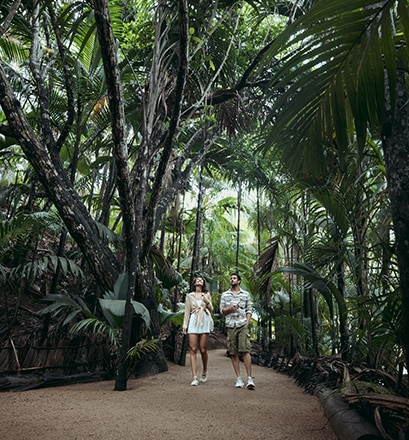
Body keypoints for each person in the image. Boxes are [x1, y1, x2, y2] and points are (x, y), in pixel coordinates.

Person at [220, 273, 255, 390]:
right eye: (231, 278)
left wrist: (247, 322)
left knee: (245, 350)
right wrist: (230, 309)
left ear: (239, 281)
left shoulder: (245, 295)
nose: (232, 279)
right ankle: (238, 378)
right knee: (233, 352)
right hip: (230, 325)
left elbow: (249, 309)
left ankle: (249, 378)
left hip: (242, 324)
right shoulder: (225, 295)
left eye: (234, 278)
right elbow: (222, 311)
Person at [182, 276, 214, 386]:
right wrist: (185, 325)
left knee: (203, 349)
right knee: (193, 348)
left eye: (201, 280)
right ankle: (194, 376)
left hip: (204, 320)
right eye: (197, 280)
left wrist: (207, 302)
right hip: (193, 320)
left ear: (203, 283)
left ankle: (205, 370)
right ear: (194, 283)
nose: (199, 281)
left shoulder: (207, 295)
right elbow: (187, 311)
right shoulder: (189, 296)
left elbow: (212, 309)